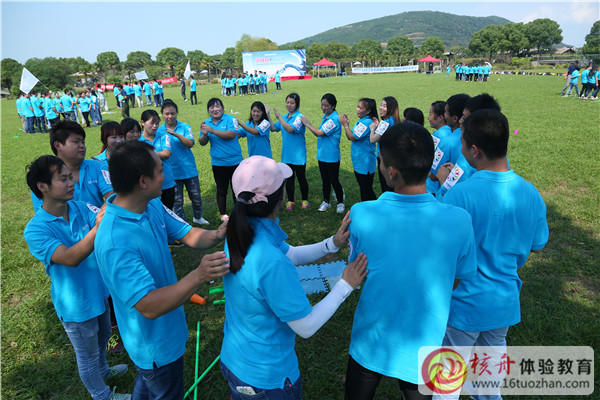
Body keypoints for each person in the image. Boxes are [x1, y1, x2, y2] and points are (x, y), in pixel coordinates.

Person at [344, 121, 477, 400]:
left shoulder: (361, 213)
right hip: (424, 342)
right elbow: (455, 279)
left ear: (391, 171)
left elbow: (358, 270)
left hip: (371, 338)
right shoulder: (460, 220)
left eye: (381, 160)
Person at [220, 155, 368, 400]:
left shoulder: (241, 230)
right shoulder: (271, 262)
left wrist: (332, 243)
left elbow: (292, 253)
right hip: (268, 380)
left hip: (235, 362)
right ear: (280, 196)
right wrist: (345, 285)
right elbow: (306, 326)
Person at [94, 140, 230, 399]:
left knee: (148, 385)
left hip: (167, 332)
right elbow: (149, 305)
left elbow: (187, 234)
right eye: (160, 170)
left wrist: (218, 234)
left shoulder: (150, 204)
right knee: (162, 385)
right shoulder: (115, 240)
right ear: (142, 181)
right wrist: (198, 275)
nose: (166, 175)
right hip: (154, 346)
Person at [437, 109, 549, 400]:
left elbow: (442, 250)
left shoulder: (459, 195)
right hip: (504, 301)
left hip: (463, 303)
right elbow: (538, 244)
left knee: (447, 381)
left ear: (474, 150)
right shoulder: (531, 193)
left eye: (463, 143)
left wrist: (443, 184)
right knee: (488, 380)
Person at [24, 155, 130, 400]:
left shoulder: (80, 207)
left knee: (103, 337)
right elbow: (70, 257)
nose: (71, 183)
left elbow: (106, 217)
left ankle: (104, 370)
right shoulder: (36, 229)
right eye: (63, 179)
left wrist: (113, 204)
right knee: (87, 354)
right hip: (76, 305)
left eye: (70, 177)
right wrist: (98, 227)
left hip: (99, 292)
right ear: (42, 187)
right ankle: (102, 395)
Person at [31, 120, 113, 211]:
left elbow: (112, 195)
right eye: (76, 141)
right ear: (58, 145)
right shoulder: (44, 175)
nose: (82, 146)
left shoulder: (98, 167)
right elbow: (44, 213)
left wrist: (99, 217)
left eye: (83, 142)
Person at [435, 93, 500, 199]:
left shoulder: (466, 160)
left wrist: (443, 179)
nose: (460, 121)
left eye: (465, 118)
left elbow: (448, 198)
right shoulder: (528, 190)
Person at [157, 99, 208, 225]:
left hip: (188, 169)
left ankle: (198, 217)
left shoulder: (185, 127)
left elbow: (190, 143)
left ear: (177, 113)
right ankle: (183, 224)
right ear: (162, 114)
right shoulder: (158, 131)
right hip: (172, 173)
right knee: (177, 202)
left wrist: (176, 135)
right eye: (166, 114)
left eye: (172, 113)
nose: (170, 116)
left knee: (196, 197)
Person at [199, 98, 243, 221]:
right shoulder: (206, 123)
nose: (215, 109)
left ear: (222, 108)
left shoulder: (231, 119)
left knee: (237, 189)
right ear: (208, 110)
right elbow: (202, 142)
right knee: (221, 189)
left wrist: (212, 131)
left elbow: (232, 134)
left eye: (217, 106)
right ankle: (223, 214)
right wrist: (204, 134)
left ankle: (240, 212)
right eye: (211, 107)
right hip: (218, 163)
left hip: (235, 162)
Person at [302, 93, 345, 213]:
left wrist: (307, 124)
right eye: (322, 105)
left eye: (326, 105)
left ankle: (340, 202)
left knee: (334, 180)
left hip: (331, 156)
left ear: (333, 106)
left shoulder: (334, 119)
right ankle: (326, 201)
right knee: (325, 180)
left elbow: (319, 133)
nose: (323, 107)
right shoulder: (326, 117)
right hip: (322, 155)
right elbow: (319, 133)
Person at [271, 93, 309, 210]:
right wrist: (268, 114)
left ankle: (304, 200)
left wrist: (279, 117)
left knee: (301, 178)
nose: (289, 105)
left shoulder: (300, 117)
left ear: (297, 104)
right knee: (289, 180)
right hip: (287, 155)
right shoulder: (285, 117)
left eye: (292, 103)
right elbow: (273, 128)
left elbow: (290, 129)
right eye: (287, 102)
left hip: (298, 156)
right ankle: (290, 200)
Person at [426, 94, 470, 194]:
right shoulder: (475, 139)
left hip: (443, 194)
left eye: (445, 112)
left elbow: (433, 174)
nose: (444, 115)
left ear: (455, 118)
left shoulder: (448, 142)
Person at [341, 98, 378, 202]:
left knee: (366, 190)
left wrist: (345, 125)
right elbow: (350, 136)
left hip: (364, 164)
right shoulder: (362, 121)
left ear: (368, 111)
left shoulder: (366, 123)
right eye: (357, 106)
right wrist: (347, 125)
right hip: (360, 162)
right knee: (365, 189)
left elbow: (352, 137)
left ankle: (371, 208)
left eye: (360, 108)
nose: (357, 109)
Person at [139, 109, 176, 211]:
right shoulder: (138, 139)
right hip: (148, 186)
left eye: (157, 123)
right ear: (142, 122)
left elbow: (167, 154)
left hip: (167, 182)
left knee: (168, 211)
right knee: (152, 213)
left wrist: (144, 154)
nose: (155, 126)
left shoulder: (164, 135)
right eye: (152, 123)